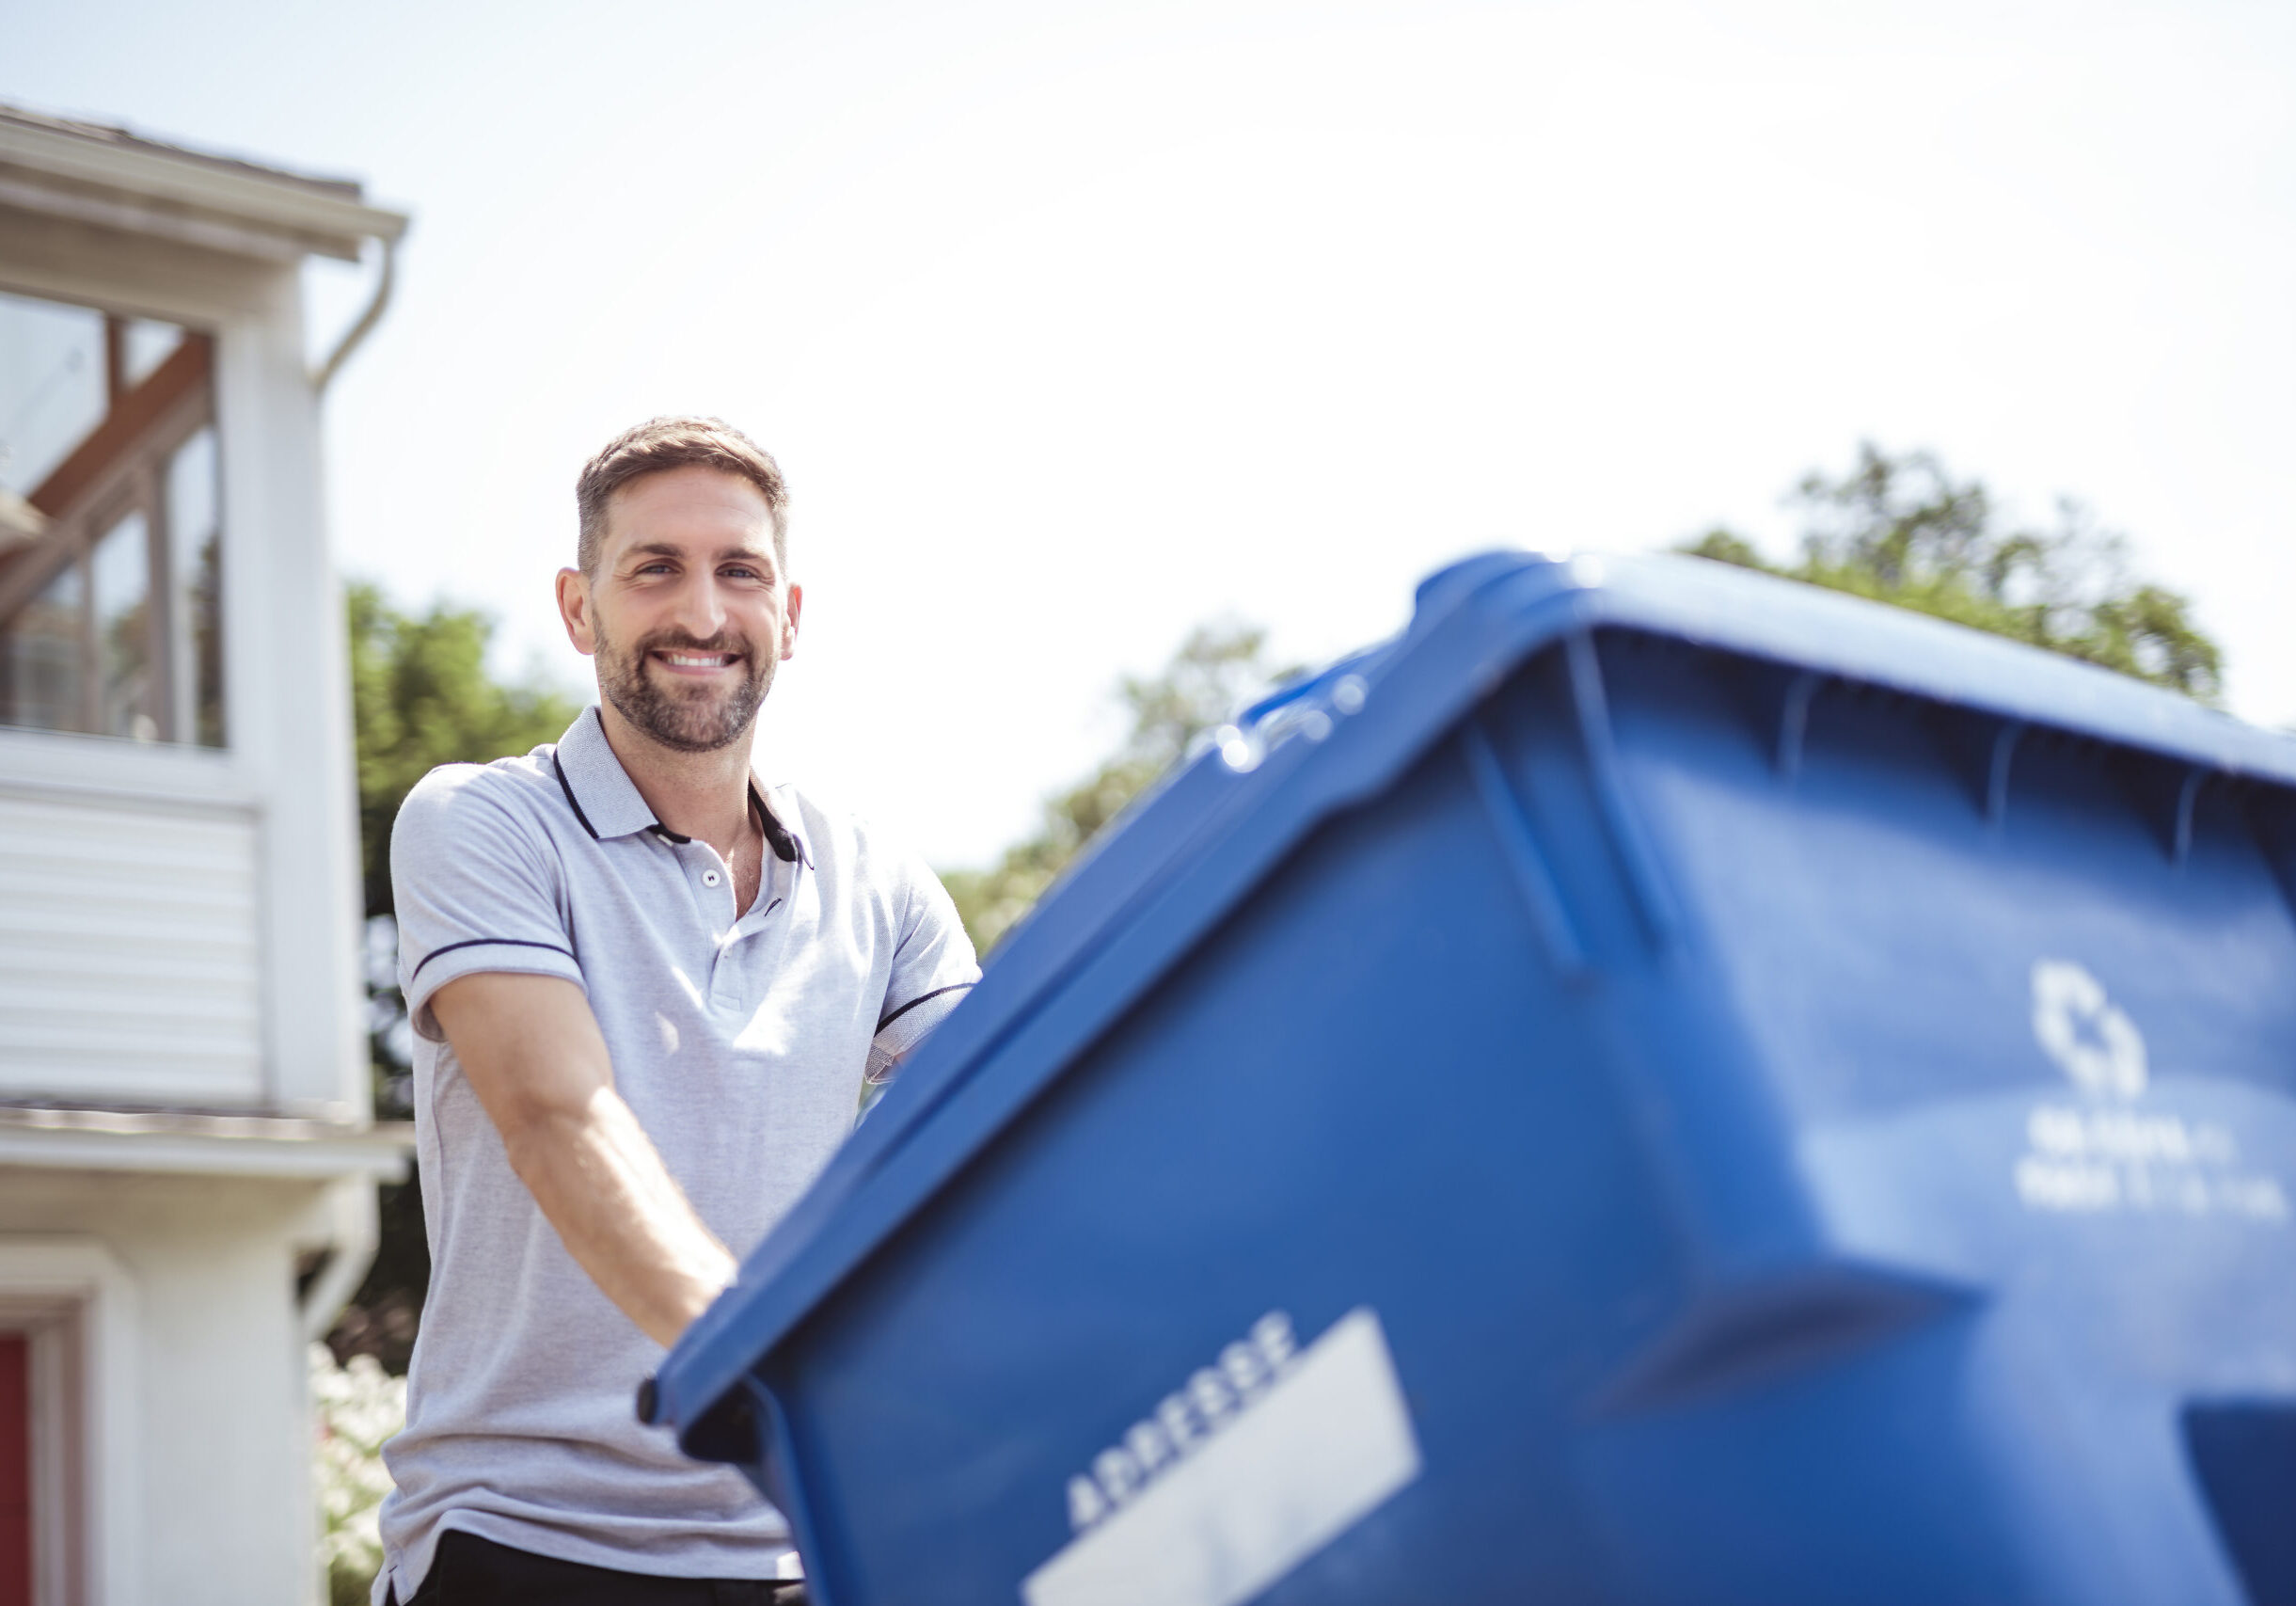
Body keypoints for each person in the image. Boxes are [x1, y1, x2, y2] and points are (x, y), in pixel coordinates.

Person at [372, 418, 979, 1605]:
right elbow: (559, 1115)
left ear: (789, 614)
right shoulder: (483, 824)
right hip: (524, 1539)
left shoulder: (878, 880)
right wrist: (765, 1369)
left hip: (794, 1548)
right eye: (654, 568)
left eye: (737, 571)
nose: (700, 613)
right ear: (576, 606)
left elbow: (996, 1123)